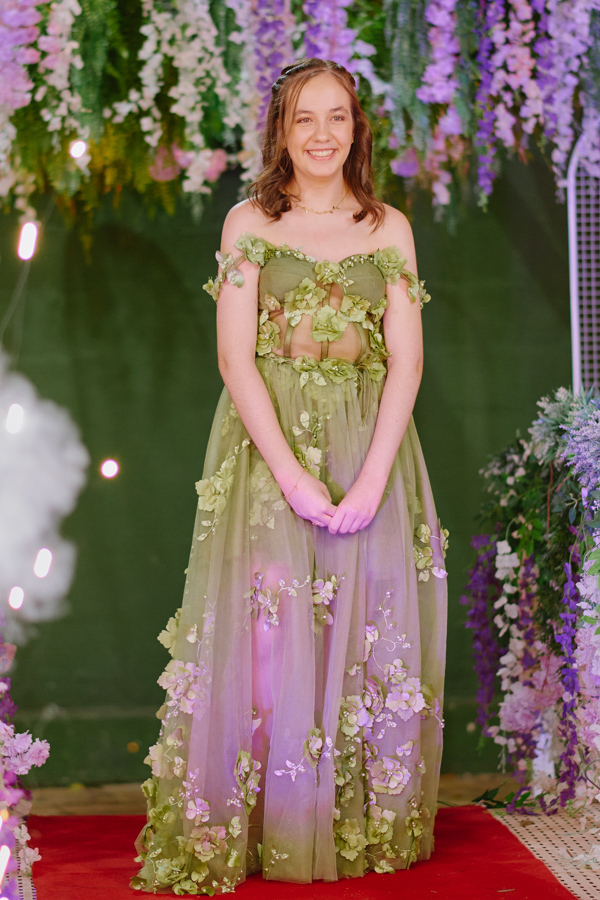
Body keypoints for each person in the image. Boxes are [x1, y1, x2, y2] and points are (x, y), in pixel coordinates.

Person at [132, 57, 448, 894]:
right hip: (268, 452)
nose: (320, 134)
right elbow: (236, 360)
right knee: (270, 638)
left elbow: (408, 365)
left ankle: (356, 818)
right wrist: (297, 480)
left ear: (357, 128)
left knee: (365, 621)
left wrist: (372, 480)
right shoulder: (247, 224)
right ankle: (279, 822)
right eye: (303, 118)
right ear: (280, 129)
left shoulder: (388, 227)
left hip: (369, 447)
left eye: (336, 117)